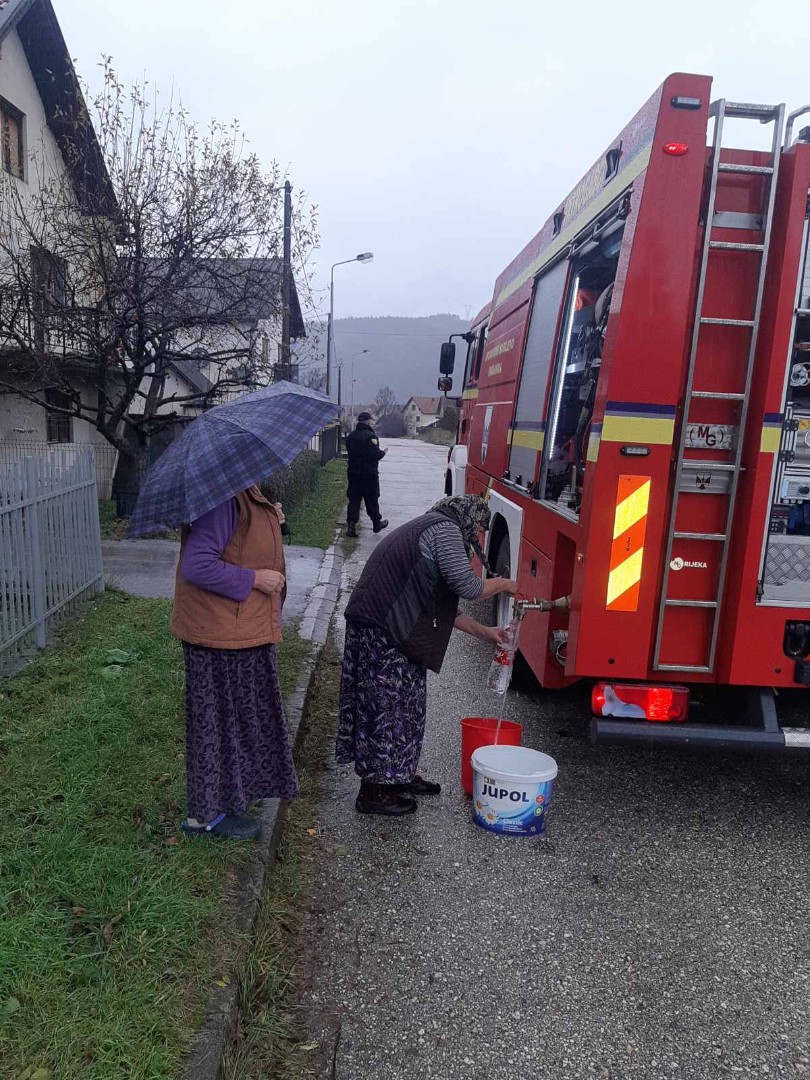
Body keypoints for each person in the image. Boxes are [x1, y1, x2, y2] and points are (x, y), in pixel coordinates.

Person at [336, 494, 518, 816]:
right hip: (379, 628)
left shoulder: (432, 528)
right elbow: (470, 588)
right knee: (385, 710)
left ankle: (399, 776)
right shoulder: (444, 529)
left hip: (393, 628)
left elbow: (448, 609)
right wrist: (504, 583)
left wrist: (488, 633)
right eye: (477, 529)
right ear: (466, 518)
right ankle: (375, 792)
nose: (477, 537)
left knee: (409, 706)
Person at [170, 485, 298, 840]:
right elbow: (197, 565)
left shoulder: (242, 494)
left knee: (238, 725)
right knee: (216, 727)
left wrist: (270, 517)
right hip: (218, 637)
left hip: (238, 631)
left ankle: (229, 799)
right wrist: (255, 579)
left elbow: (239, 542)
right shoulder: (222, 500)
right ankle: (205, 818)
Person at [345, 411, 388, 538]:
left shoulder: (351, 436)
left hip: (353, 473)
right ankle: (376, 523)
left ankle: (351, 526)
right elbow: (374, 455)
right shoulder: (371, 437)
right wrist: (383, 453)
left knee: (354, 500)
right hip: (369, 475)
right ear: (368, 421)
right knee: (372, 499)